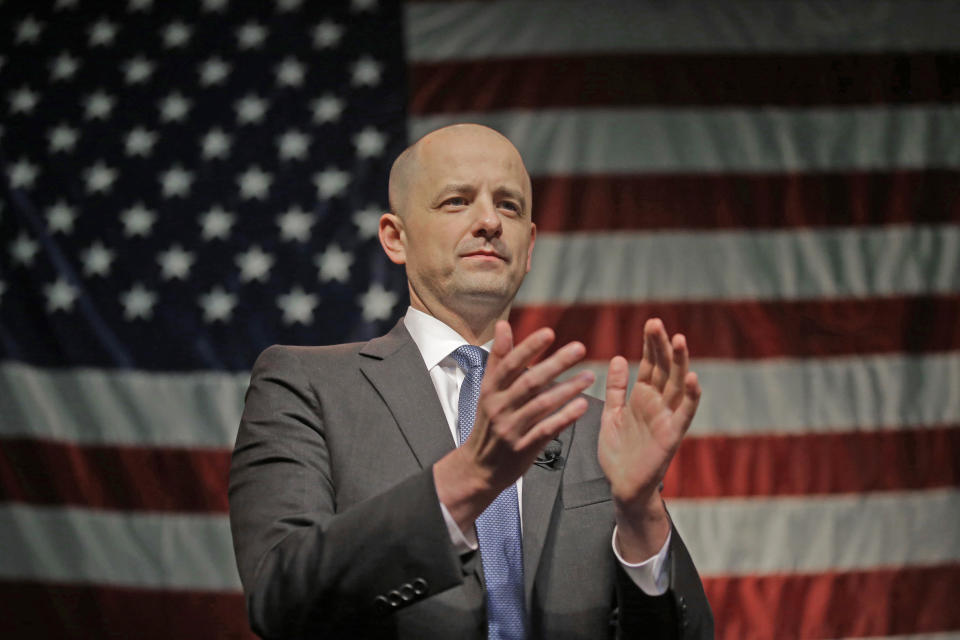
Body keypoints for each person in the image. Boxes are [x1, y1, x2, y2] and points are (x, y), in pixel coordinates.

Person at [229, 124, 713, 639]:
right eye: (457, 201)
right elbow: (280, 599)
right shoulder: (307, 386)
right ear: (396, 238)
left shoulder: (596, 427)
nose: (488, 222)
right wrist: (468, 481)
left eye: (508, 206)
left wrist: (641, 516)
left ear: (528, 247)